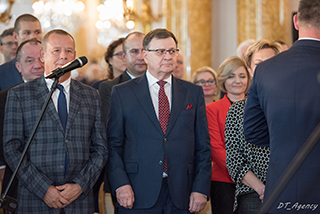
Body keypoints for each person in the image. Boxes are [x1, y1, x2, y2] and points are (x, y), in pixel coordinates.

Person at [107, 28, 211, 213]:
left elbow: (203, 147)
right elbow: (114, 145)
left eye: (172, 51)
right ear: (145, 55)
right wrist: (120, 184)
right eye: (160, 51)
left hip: (182, 193)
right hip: (136, 191)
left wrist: (200, 188)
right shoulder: (123, 93)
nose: (168, 56)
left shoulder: (192, 92)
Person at [3, 29, 107, 213]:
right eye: (56, 50)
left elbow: (100, 149)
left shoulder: (91, 95)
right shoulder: (20, 95)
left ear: (75, 55)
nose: (63, 56)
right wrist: (44, 189)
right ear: (42, 55)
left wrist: (80, 185)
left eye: (68, 51)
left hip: (79, 201)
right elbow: (12, 148)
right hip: (35, 199)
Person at [243, 0, 320, 213]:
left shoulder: (265, 69)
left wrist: (284, 138)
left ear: (296, 21)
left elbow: (253, 131)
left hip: (282, 187)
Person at [224, 39, 281, 214]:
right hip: (252, 194)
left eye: (271, 62)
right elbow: (233, 159)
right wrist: (262, 189)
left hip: (288, 188)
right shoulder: (238, 110)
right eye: (258, 63)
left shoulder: (292, 105)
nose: (265, 67)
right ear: (249, 70)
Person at [0, 38, 44, 202]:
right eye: (29, 60)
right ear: (19, 67)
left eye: (41, 59)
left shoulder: (62, 95)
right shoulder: (5, 98)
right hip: (19, 184)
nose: (38, 65)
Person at [206, 56, 251, 214]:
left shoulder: (257, 107)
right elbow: (216, 148)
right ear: (223, 80)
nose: (237, 81)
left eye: (242, 76)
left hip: (256, 181)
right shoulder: (212, 109)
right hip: (224, 182)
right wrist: (245, 172)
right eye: (231, 76)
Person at [99, 32, 146, 123]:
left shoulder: (159, 83)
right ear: (124, 56)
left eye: (144, 51)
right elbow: (110, 126)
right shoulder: (110, 88)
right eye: (134, 51)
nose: (141, 57)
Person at [0, 14, 42, 91]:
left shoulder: (51, 68)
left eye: (37, 32)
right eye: (27, 33)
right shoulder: (2, 73)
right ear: (15, 36)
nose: (33, 36)